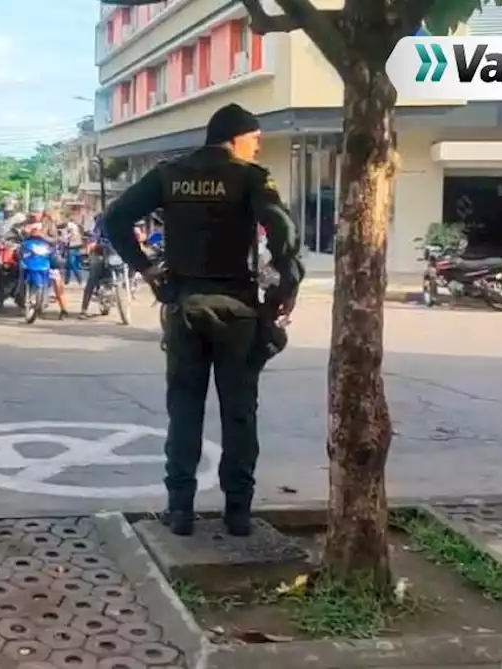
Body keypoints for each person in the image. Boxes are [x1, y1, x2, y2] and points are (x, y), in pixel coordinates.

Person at [97, 103, 303, 537]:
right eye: (255, 141)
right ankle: (238, 513)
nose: (257, 148)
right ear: (234, 139)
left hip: (184, 305)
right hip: (237, 310)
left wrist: (146, 267)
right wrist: (286, 283)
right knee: (239, 413)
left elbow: (115, 218)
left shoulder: (169, 174)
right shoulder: (250, 178)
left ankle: (180, 511)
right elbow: (282, 232)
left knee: (185, 411)